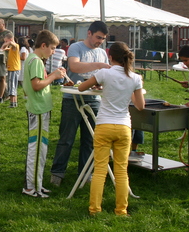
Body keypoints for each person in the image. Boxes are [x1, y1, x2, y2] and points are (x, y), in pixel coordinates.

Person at [78, 41, 145, 217]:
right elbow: (140, 106)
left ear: (110, 56)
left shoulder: (104, 73)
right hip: (124, 127)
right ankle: (121, 210)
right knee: (122, 171)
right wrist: (129, 91)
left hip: (104, 125)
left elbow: (81, 87)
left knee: (100, 170)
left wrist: (99, 85)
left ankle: (94, 209)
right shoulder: (135, 78)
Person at [50, 21, 110, 187]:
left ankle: (85, 173)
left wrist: (100, 84)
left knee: (90, 139)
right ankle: (57, 173)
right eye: (98, 37)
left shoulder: (102, 53)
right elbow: (74, 66)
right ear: (89, 33)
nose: (100, 41)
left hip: (94, 99)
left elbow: (102, 76)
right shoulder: (76, 47)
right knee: (66, 138)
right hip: (73, 99)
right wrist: (99, 65)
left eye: (103, 39)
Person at [22, 30, 67, 198]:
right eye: (53, 48)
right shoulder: (35, 61)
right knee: (37, 149)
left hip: (39, 109)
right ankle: (31, 187)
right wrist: (54, 76)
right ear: (43, 46)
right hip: (38, 109)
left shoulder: (35, 60)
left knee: (40, 148)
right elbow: (37, 85)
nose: (54, 51)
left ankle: (37, 184)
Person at [1, 33, 20, 108]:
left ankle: (12, 103)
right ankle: (14, 102)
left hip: (13, 68)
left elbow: (12, 44)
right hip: (13, 68)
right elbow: (3, 49)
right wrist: (5, 45)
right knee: (13, 85)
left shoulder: (15, 46)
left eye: (6, 41)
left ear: (11, 40)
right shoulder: (11, 48)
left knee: (12, 85)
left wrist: (7, 43)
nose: (5, 43)